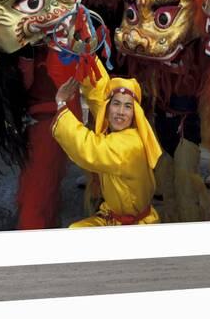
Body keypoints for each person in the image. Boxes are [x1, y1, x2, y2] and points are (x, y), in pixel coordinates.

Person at [52, 58, 162, 227]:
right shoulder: (117, 128)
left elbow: (89, 148)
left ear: (135, 114)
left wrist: (61, 103)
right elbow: (99, 94)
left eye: (127, 107)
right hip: (111, 217)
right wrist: (88, 56)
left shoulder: (130, 145)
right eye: (116, 104)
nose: (120, 112)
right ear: (108, 107)